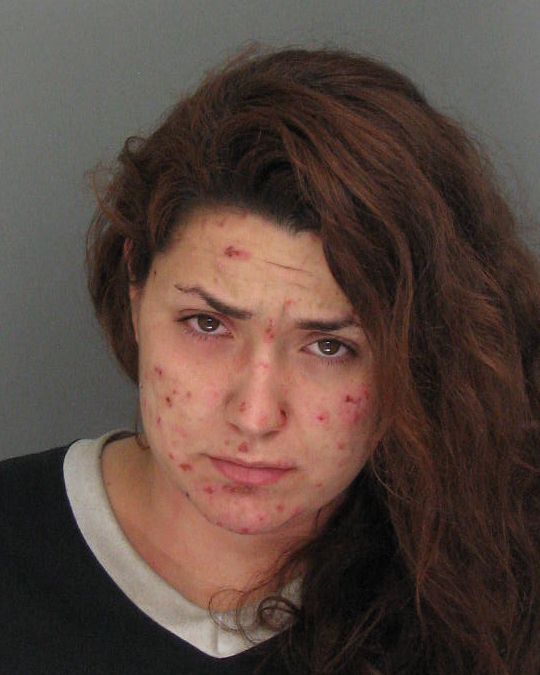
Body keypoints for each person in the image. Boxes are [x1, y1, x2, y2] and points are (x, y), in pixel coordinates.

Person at [1, 46, 539, 675]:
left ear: (420, 352)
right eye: (208, 324)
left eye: (330, 346)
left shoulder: (495, 592)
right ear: (135, 288)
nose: (255, 416)